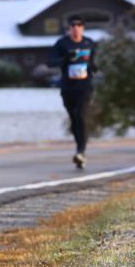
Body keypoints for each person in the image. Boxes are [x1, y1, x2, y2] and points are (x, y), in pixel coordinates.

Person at [48, 15, 96, 169]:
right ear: (69, 28)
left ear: (83, 28)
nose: (76, 28)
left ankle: (81, 152)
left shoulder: (89, 43)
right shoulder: (62, 44)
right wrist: (64, 59)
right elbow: (50, 62)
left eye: (79, 25)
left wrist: (95, 66)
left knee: (81, 115)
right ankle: (79, 146)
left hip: (85, 86)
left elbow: (96, 61)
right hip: (68, 87)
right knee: (74, 118)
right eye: (73, 26)